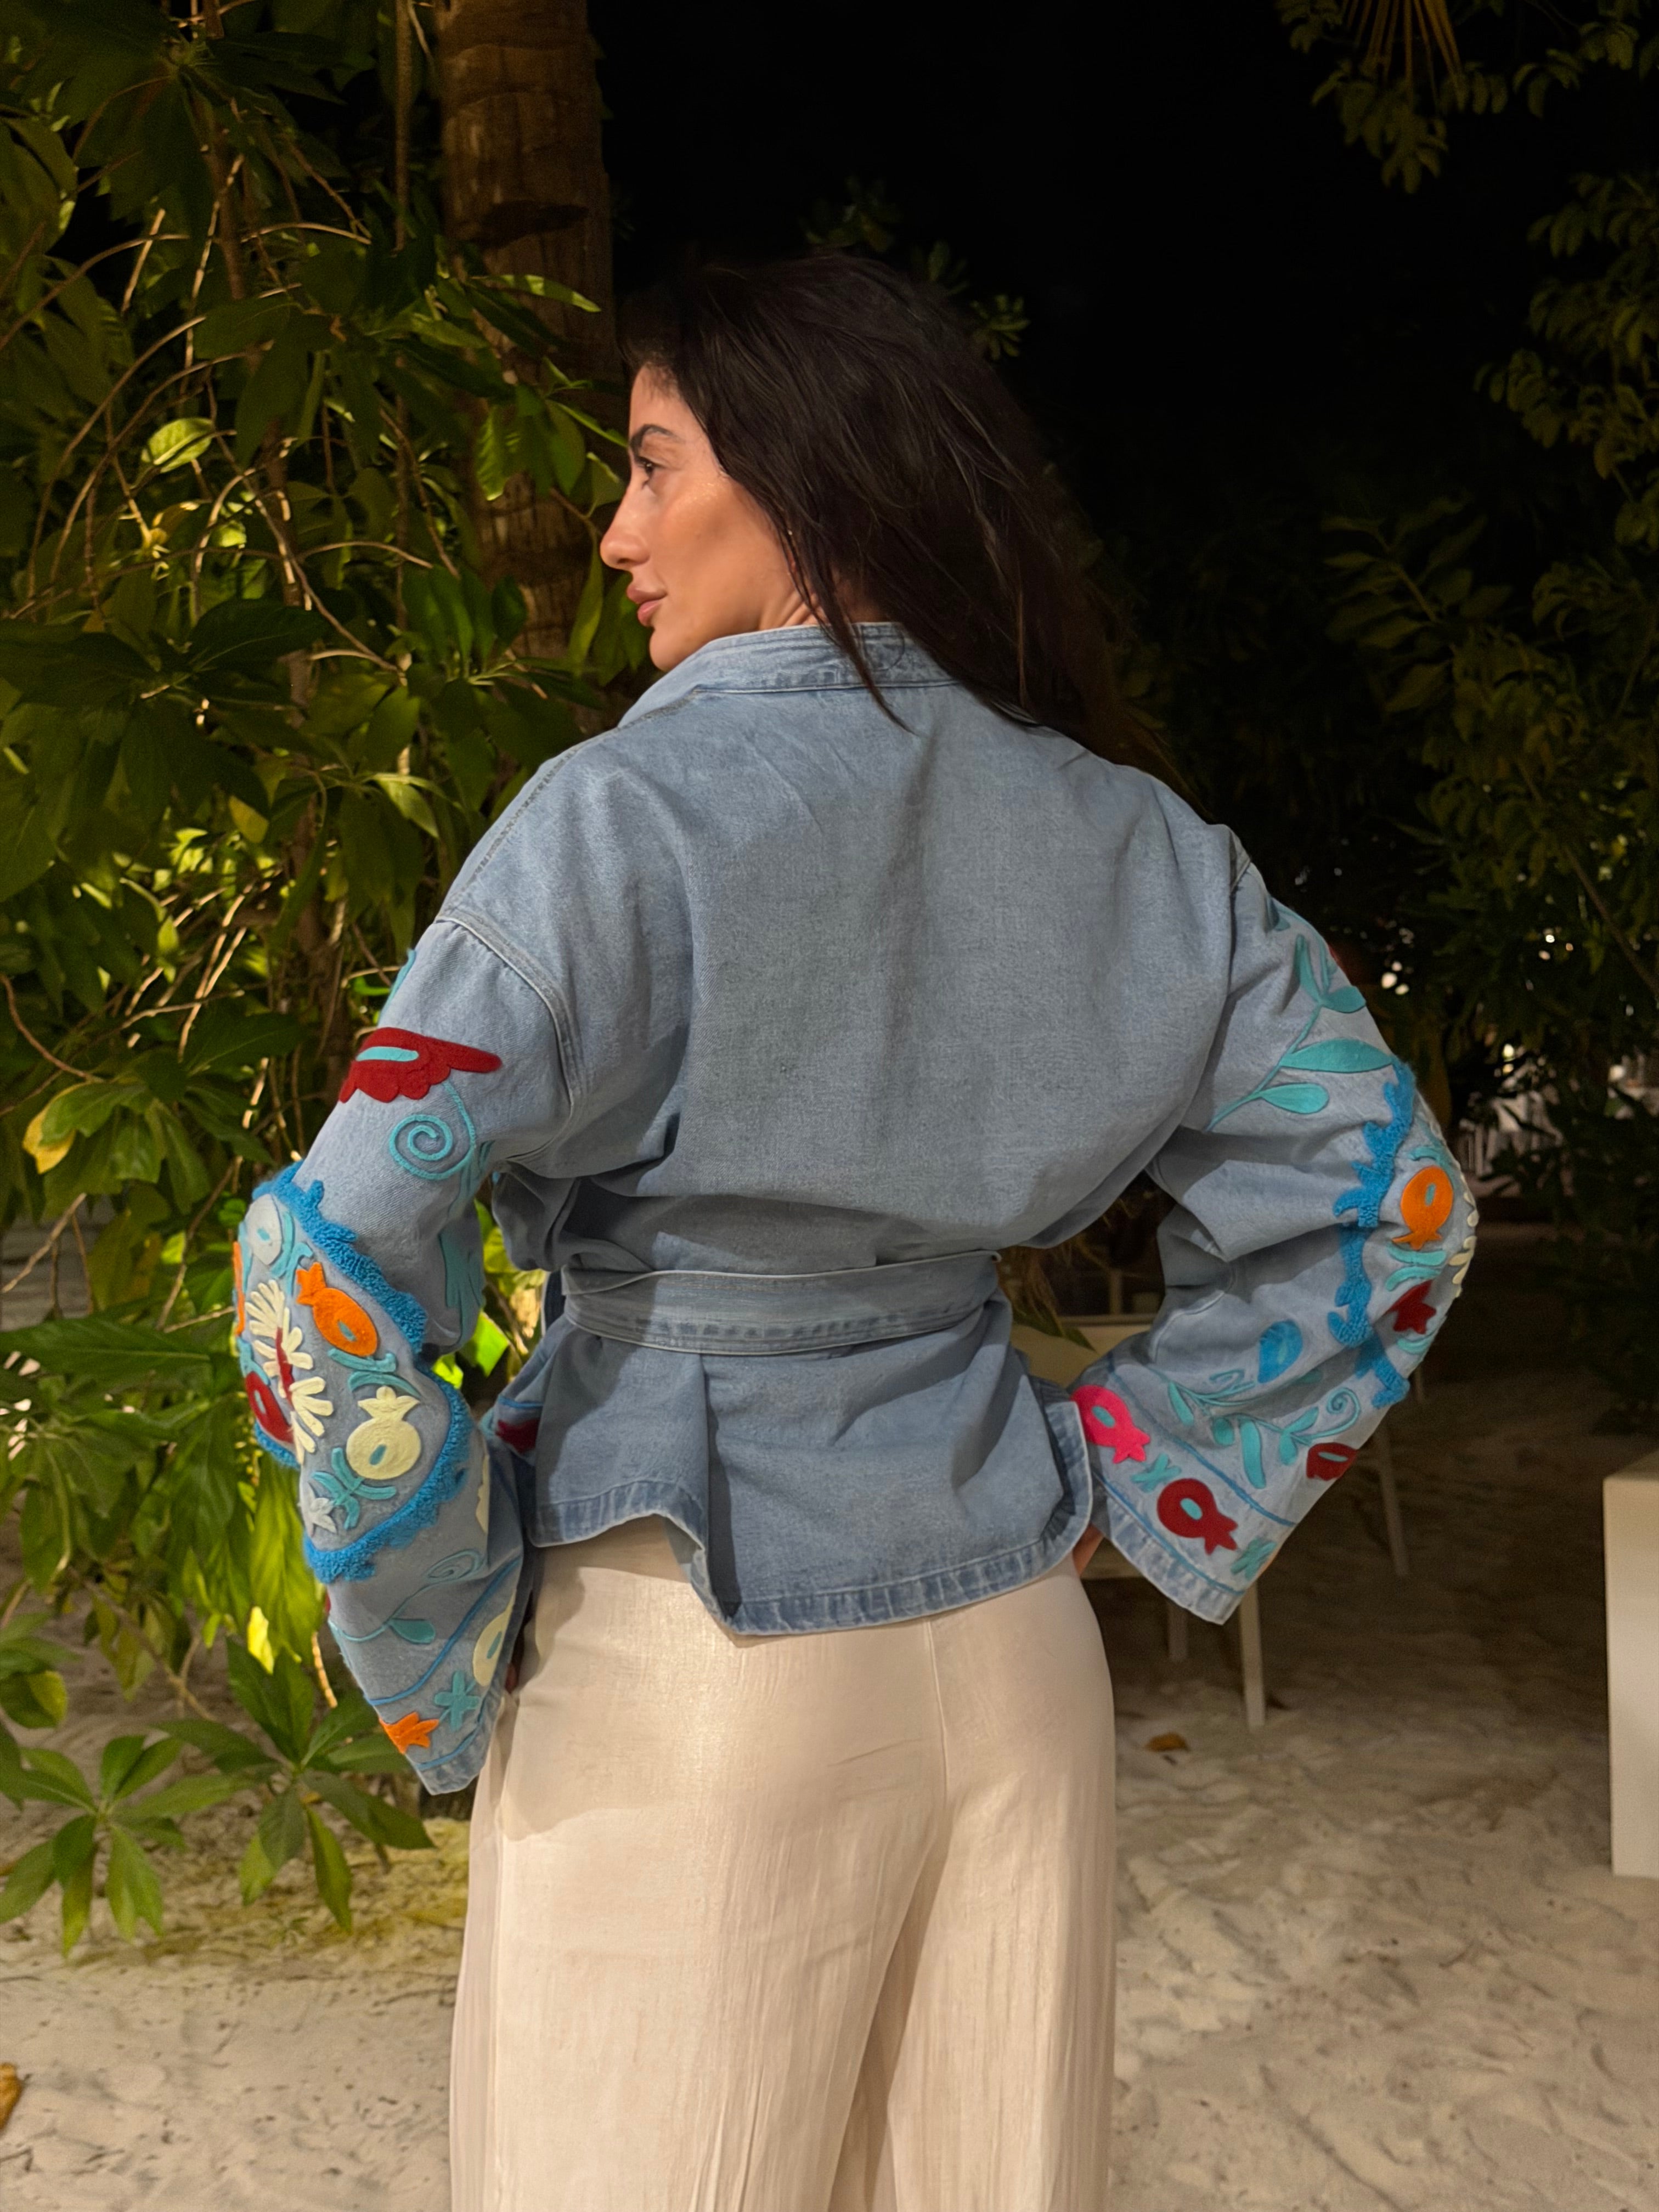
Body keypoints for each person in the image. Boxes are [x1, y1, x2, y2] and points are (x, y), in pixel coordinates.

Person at [230, 256, 1476, 2210]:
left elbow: (321, 1265)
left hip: (682, 1657)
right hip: (1019, 1650)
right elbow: (1392, 1206)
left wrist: (444, 1613)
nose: (618, 532)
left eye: (653, 465)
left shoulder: (615, 822)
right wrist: (1132, 1475)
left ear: (802, 473)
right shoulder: (1135, 838)